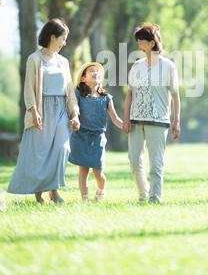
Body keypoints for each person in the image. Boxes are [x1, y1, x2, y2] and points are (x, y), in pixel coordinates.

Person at [8, 18, 80, 203]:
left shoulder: (63, 62)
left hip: (60, 111)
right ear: (52, 37)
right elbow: (29, 88)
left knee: (62, 149)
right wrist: (34, 111)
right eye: (63, 39)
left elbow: (70, 90)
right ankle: (39, 193)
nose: (64, 43)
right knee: (39, 153)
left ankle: (53, 190)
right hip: (41, 109)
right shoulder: (34, 59)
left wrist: (74, 113)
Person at [123, 22, 180, 204]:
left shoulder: (168, 66)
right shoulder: (137, 66)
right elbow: (129, 94)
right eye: (138, 41)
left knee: (156, 164)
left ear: (152, 43)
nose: (139, 44)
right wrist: (126, 119)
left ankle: (154, 198)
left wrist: (176, 121)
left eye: (141, 41)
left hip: (158, 121)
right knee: (133, 161)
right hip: (136, 120)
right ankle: (143, 193)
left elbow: (175, 96)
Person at [69, 62, 123, 201]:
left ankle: (101, 189)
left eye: (97, 71)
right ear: (83, 78)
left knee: (98, 173)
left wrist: (125, 126)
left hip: (98, 138)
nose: (96, 73)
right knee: (83, 170)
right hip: (81, 136)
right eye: (92, 71)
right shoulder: (78, 95)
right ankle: (85, 199)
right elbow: (73, 108)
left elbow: (115, 118)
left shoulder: (106, 98)